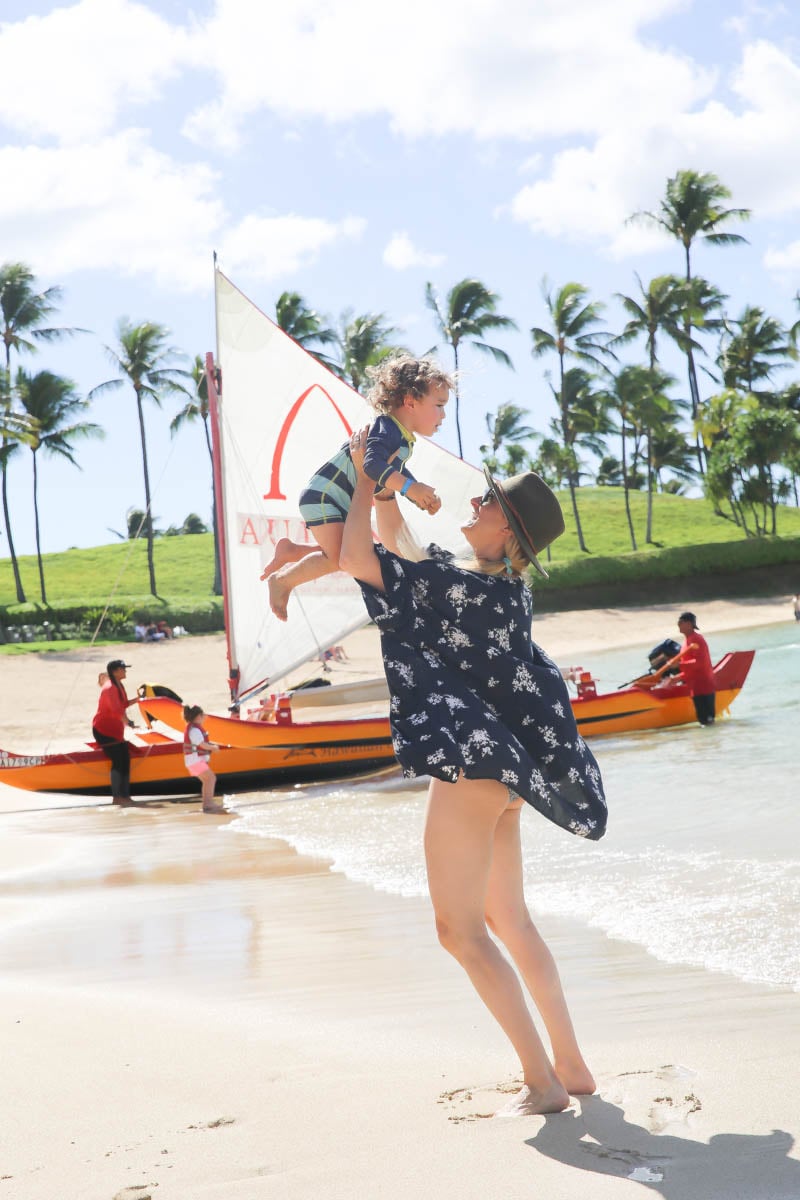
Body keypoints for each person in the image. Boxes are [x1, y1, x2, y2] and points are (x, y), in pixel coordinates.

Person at [338, 427, 608, 1116]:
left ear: (508, 532)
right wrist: (388, 481)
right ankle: (571, 1064)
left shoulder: (462, 589)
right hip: (503, 776)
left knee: (459, 932)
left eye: (488, 498)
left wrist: (364, 471)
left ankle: (542, 1081)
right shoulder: (498, 588)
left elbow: (353, 553)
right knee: (509, 921)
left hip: (471, 770)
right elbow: (401, 542)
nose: (476, 498)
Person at [261, 355, 451, 621]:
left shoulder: (400, 436)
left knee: (343, 553)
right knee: (340, 558)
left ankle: (292, 552)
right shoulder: (386, 428)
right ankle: (282, 581)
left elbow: (390, 470)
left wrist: (417, 494)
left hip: (335, 498)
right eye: (439, 405)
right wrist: (410, 487)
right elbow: (372, 466)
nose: (443, 415)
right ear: (410, 402)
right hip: (325, 496)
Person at [657, 612, 717, 726]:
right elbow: (689, 670)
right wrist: (675, 678)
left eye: (680, 622)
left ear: (689, 624)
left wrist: (679, 665)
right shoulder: (686, 642)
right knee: (703, 722)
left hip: (704, 687)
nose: (678, 625)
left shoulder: (697, 639)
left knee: (708, 723)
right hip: (695, 688)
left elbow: (700, 663)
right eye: (678, 622)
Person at [92, 660, 139, 804]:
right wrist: (129, 723)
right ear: (115, 671)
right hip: (104, 730)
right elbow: (117, 710)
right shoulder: (110, 688)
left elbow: (123, 704)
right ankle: (117, 797)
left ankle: (125, 796)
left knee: (125, 759)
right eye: (122, 669)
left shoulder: (119, 685)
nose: (125, 671)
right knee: (118, 761)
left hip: (116, 731)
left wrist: (138, 699)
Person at [182, 704, 225, 813]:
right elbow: (202, 745)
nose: (204, 717)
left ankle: (207, 803)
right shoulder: (195, 730)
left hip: (193, 761)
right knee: (211, 778)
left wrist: (211, 745)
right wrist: (213, 748)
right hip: (195, 760)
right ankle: (208, 803)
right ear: (198, 717)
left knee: (207, 780)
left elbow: (201, 743)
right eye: (203, 715)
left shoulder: (193, 729)